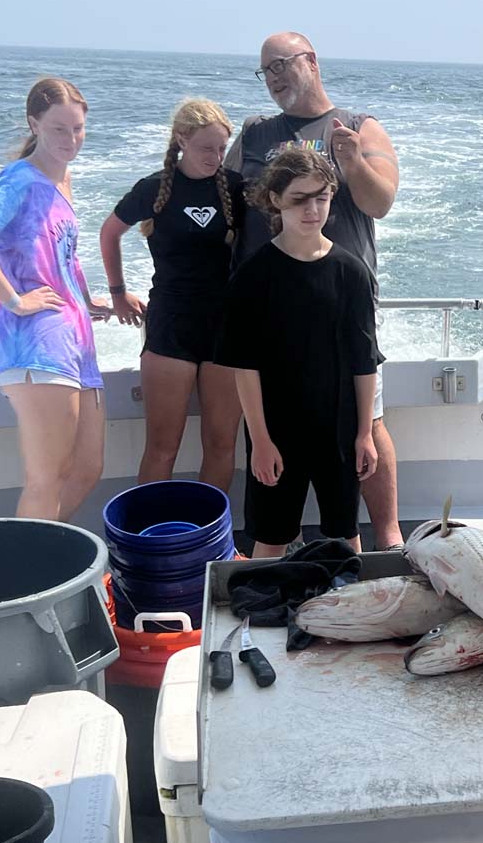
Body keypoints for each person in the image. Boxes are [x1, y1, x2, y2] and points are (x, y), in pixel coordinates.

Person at [224, 31, 402, 550]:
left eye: (282, 64)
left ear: (312, 62)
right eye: (267, 70)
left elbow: (381, 201)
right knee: (275, 420)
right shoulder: (255, 132)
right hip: (272, 300)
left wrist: (352, 163)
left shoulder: (359, 126)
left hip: (341, 295)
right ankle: (268, 542)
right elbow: (220, 198)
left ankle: (388, 538)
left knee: (366, 417)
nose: (275, 77)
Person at [215, 148, 381, 559]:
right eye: (299, 199)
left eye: (321, 198)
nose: (312, 209)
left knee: (345, 535)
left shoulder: (352, 272)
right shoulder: (253, 276)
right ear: (275, 200)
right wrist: (261, 440)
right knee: (271, 536)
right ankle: (258, 615)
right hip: (276, 431)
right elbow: (245, 368)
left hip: (339, 430)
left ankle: (352, 614)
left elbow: (364, 361)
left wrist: (364, 435)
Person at [0, 77, 106, 521]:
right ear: (33, 124)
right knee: (48, 477)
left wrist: (89, 299)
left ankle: (43, 560)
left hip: (76, 341)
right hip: (35, 343)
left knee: (87, 469)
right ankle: (27, 576)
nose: (71, 140)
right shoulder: (21, 178)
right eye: (59, 129)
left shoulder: (64, 181)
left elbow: (59, 256)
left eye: (77, 129)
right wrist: (16, 300)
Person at [99, 99, 245, 491]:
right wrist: (118, 293)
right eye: (205, 148)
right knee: (163, 446)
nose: (215, 157)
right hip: (170, 327)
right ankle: (150, 542)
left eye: (221, 148)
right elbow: (109, 232)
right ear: (181, 139)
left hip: (224, 329)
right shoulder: (153, 189)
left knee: (220, 444)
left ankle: (205, 537)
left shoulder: (235, 188)